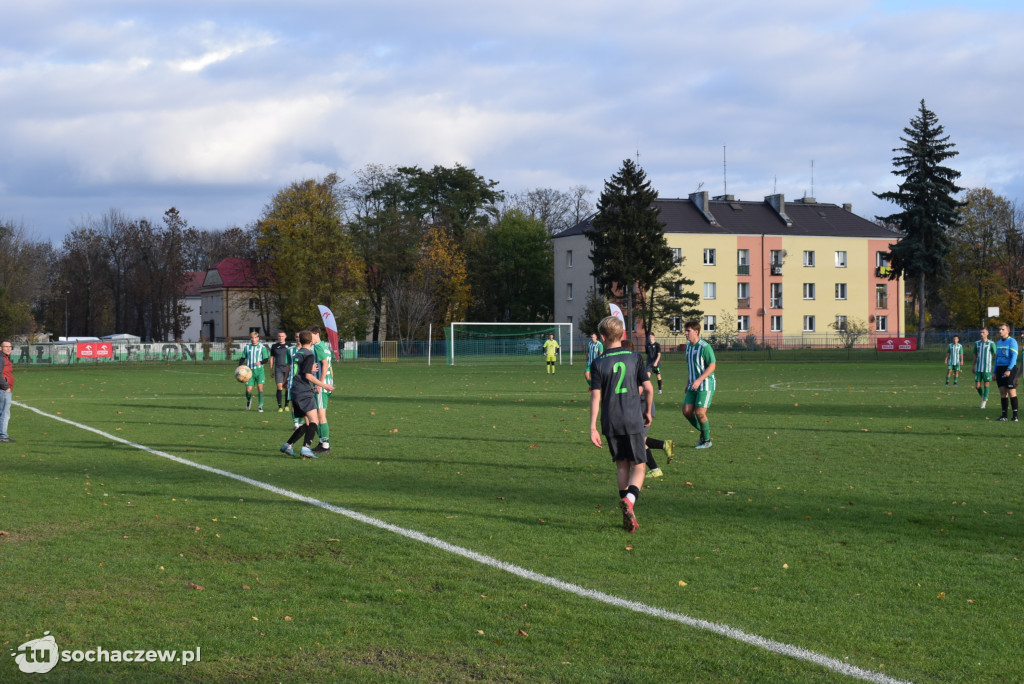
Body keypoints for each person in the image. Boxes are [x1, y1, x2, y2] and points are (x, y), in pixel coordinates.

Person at [589, 315, 654, 534]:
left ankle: (628, 511)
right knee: (639, 466)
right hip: (632, 419)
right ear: (622, 335)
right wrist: (647, 411)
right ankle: (630, 500)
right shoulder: (634, 357)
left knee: (621, 466)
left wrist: (592, 427)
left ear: (604, 337)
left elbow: (595, 397)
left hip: (611, 421)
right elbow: (648, 388)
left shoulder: (597, 363)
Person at [280, 330, 333, 459]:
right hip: (304, 391)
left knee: (307, 423)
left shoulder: (297, 353)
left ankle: (288, 445)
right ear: (310, 341)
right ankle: (306, 448)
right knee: (314, 421)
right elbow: (308, 376)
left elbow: (298, 370)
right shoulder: (309, 354)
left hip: (294, 391)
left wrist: (309, 369)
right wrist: (324, 385)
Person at [682, 320, 716, 448]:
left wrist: (699, 380)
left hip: (705, 384)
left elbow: (712, 366)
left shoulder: (705, 347)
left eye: (688, 331)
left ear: (696, 332)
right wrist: (688, 382)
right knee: (686, 411)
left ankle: (707, 441)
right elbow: (691, 367)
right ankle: (704, 430)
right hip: (693, 384)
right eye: (685, 330)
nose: (685, 333)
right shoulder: (688, 347)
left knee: (700, 413)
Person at [309, 325, 334, 454]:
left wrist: (320, 383)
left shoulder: (318, 346)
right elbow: (329, 367)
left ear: (317, 334)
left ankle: (325, 446)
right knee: (316, 415)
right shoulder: (324, 346)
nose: (309, 339)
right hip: (327, 385)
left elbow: (325, 364)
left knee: (320, 416)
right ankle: (321, 443)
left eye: (310, 336)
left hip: (321, 386)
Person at [239, 331, 270, 412]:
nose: (253, 339)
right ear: (250, 338)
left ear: (258, 338)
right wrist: (240, 366)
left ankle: (260, 406)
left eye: (255, 338)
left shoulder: (262, 347)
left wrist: (261, 362)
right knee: (248, 390)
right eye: (252, 338)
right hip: (249, 372)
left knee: (260, 388)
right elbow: (242, 358)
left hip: (259, 371)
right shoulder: (247, 347)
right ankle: (249, 400)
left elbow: (266, 359)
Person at [993, 323, 1019, 422]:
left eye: (1002, 329)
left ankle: (1015, 416)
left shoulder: (1012, 342)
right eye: (999, 329)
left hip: (1010, 369)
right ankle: (1004, 416)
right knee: (1002, 393)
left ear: (1008, 331)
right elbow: (997, 359)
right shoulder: (998, 343)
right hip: (999, 369)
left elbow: (1014, 357)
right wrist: (994, 371)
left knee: (1011, 392)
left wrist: (1009, 369)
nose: (1000, 331)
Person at [268, 331, 293, 412]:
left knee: (287, 387)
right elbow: (272, 358)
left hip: (287, 369)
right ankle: (280, 406)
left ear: (285, 336)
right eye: (279, 336)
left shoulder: (289, 346)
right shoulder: (274, 346)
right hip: (278, 369)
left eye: (282, 336)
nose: (280, 337)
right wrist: (271, 369)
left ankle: (286, 405)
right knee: (279, 387)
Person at [973, 328, 996, 409]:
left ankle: (984, 402)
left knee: (986, 384)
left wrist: (995, 367)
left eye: (983, 332)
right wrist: (973, 366)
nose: (981, 334)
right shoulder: (977, 343)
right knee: (977, 386)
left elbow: (995, 355)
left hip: (987, 368)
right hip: (978, 368)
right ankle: (984, 397)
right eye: (980, 332)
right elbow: (975, 355)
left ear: (987, 333)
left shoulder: (991, 343)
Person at [0, 340, 14, 443]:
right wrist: (6, 386)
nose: (9, 348)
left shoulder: (5, 358)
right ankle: (3, 436)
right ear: (1, 348)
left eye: (10, 346)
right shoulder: (1, 359)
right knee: (5, 413)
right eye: (6, 346)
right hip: (3, 390)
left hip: (3, 389)